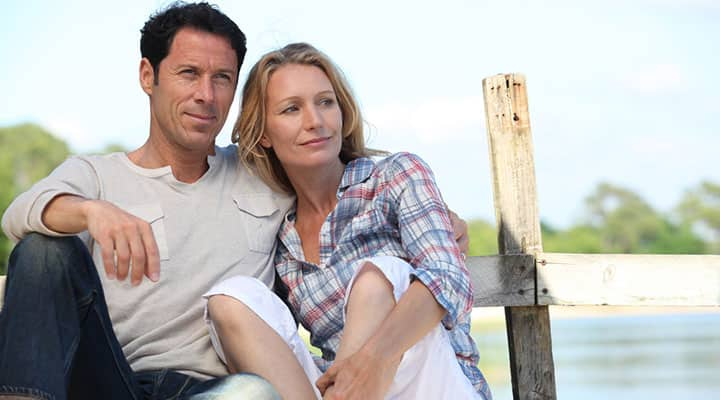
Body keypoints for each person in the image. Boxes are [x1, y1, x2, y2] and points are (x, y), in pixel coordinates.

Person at [0, 3, 470, 400]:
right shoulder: (96, 176)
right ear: (149, 76)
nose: (205, 94)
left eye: (221, 78)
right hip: (107, 379)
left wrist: (435, 217)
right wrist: (91, 212)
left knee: (251, 389)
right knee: (44, 251)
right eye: (188, 74)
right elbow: (19, 214)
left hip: (214, 389)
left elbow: (330, 179)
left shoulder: (262, 178)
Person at [203, 43, 492, 400]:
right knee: (231, 298)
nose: (315, 121)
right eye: (292, 109)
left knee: (377, 277)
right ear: (263, 134)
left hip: (432, 382)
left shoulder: (396, 176)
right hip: (339, 389)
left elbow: (450, 279)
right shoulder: (280, 238)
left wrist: (372, 361)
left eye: (325, 102)